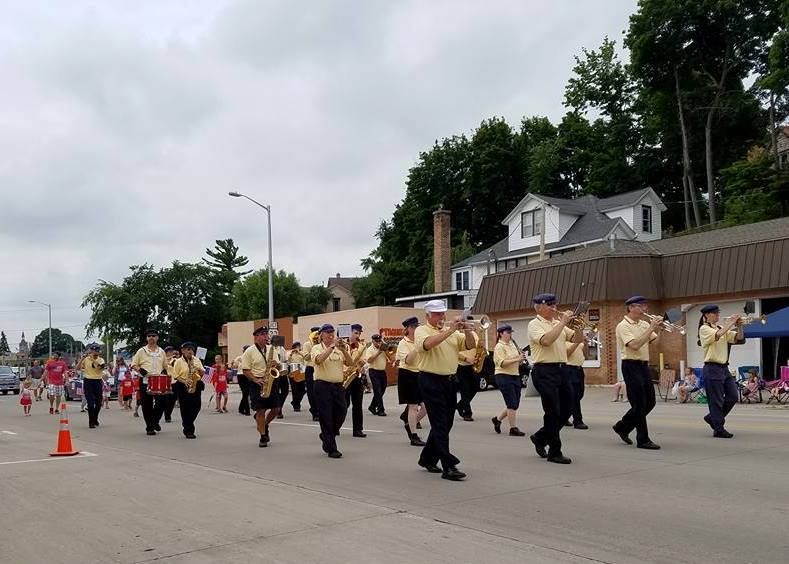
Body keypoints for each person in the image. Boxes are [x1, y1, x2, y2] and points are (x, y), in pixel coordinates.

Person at [415, 300, 475, 481]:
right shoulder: (421, 330)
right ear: (427, 316)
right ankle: (448, 466)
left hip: (449, 380)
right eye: (436, 314)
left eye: (442, 314)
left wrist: (467, 329)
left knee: (446, 423)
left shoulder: (452, 332)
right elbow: (427, 345)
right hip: (430, 380)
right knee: (440, 423)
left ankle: (427, 458)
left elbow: (470, 345)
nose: (441, 317)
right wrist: (449, 330)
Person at [527, 294, 584, 464]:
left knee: (567, 410)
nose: (554, 307)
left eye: (554, 304)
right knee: (552, 411)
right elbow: (546, 341)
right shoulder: (534, 324)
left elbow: (577, 339)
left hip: (562, 369)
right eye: (549, 305)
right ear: (539, 307)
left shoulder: (555, 323)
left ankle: (540, 437)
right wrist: (563, 322)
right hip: (544, 371)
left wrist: (578, 324)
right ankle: (554, 451)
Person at [613, 296, 664, 450]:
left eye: (645, 306)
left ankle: (623, 426)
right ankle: (643, 439)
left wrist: (659, 329)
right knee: (639, 404)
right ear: (630, 307)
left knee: (650, 402)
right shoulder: (623, 326)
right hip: (631, 365)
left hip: (643, 365)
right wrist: (651, 328)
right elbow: (634, 345)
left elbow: (655, 343)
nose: (645, 309)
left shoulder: (644, 323)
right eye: (641, 306)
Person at [698, 304, 745, 438]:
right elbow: (718, 335)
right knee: (716, 400)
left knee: (733, 396)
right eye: (714, 313)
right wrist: (731, 322)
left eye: (718, 313)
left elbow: (739, 338)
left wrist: (740, 325)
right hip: (712, 367)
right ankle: (718, 428)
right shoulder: (704, 328)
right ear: (707, 315)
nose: (717, 316)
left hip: (724, 368)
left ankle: (712, 418)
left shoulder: (721, 328)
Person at [311, 324, 354, 458]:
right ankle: (331, 448)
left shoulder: (339, 349)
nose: (331, 335)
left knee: (342, 411)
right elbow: (318, 360)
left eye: (332, 333)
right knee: (326, 417)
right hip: (322, 385)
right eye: (328, 333)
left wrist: (344, 349)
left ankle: (327, 435)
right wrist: (332, 347)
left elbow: (350, 363)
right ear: (322, 335)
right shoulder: (316, 348)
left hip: (338, 386)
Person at [241, 326, 282, 448]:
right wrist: (255, 379)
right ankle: (263, 436)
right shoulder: (249, 351)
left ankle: (265, 424)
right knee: (260, 411)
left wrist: (276, 365)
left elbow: (278, 367)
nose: (266, 337)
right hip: (257, 383)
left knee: (276, 409)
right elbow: (245, 370)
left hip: (271, 381)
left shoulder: (271, 349)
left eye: (266, 334)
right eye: (263, 334)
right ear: (256, 337)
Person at [131, 329, 169, 436]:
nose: (151, 338)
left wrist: (165, 374)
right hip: (145, 380)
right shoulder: (141, 351)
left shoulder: (161, 351)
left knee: (163, 402)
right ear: (146, 338)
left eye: (153, 336)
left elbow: (166, 366)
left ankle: (155, 420)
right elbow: (134, 364)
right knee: (146, 404)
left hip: (159, 380)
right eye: (149, 336)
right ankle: (149, 427)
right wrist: (143, 372)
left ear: (157, 338)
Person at [396, 316, 427, 446]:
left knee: (426, 406)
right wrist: (417, 346)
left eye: (417, 326)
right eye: (413, 327)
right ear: (407, 329)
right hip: (407, 374)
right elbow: (408, 360)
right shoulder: (403, 343)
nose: (416, 329)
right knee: (413, 406)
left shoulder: (419, 340)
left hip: (420, 373)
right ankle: (414, 435)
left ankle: (409, 423)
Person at [491, 325, 526, 437]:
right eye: (508, 332)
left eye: (511, 332)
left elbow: (517, 361)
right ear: (501, 333)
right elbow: (502, 363)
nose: (510, 334)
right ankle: (513, 428)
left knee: (515, 403)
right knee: (511, 403)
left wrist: (521, 360)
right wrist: (517, 359)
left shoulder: (512, 344)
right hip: (503, 375)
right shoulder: (499, 347)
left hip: (515, 375)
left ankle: (497, 419)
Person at [170, 342, 204, 439]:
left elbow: (202, 373)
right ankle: (189, 430)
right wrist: (185, 381)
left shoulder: (196, 360)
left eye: (191, 349)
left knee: (197, 406)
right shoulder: (178, 361)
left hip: (195, 384)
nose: (190, 351)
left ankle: (187, 423)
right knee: (185, 408)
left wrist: (199, 369)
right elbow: (176, 375)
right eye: (188, 349)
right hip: (182, 385)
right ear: (183, 351)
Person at [344, 324, 368, 438]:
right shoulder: (343, 345)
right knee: (344, 404)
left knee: (358, 404)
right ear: (350, 333)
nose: (358, 335)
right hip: (345, 377)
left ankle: (358, 429)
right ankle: (336, 426)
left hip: (357, 376)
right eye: (356, 333)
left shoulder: (362, 346)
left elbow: (364, 359)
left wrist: (361, 364)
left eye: (359, 333)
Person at [455, 319, 479, 422]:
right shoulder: (457, 334)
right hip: (460, 365)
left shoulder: (474, 334)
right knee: (465, 389)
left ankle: (460, 405)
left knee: (475, 387)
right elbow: (454, 351)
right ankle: (467, 413)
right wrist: (465, 358)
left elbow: (476, 347)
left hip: (471, 365)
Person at [565, 337, 588, 429]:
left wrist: (585, 343)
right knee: (574, 396)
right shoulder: (563, 340)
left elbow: (586, 356)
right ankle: (578, 421)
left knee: (579, 394)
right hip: (568, 369)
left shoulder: (578, 342)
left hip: (579, 369)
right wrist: (577, 342)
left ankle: (563, 416)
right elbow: (566, 354)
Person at [365, 333, 390, 417]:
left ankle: (372, 406)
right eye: (376, 341)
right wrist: (378, 352)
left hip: (382, 372)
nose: (378, 343)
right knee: (378, 391)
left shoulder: (383, 348)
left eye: (379, 341)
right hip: (374, 371)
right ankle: (381, 410)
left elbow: (390, 357)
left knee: (381, 391)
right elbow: (369, 360)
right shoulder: (369, 349)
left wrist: (386, 350)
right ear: (372, 341)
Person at [303, 327, 321, 421]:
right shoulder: (307, 344)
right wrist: (314, 348)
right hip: (310, 368)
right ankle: (315, 412)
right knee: (311, 392)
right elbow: (306, 357)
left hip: (319, 368)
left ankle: (320, 410)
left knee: (320, 391)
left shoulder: (322, 344)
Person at [287, 342, 307, 412]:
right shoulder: (290, 353)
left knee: (303, 390)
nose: (297, 348)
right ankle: (296, 406)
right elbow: (287, 360)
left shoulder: (301, 353)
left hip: (301, 372)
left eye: (298, 346)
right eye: (296, 346)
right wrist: (291, 353)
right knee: (295, 390)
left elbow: (306, 358)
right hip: (292, 372)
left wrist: (299, 352)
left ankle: (295, 402)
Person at [233, 346, 251, 416]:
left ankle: (241, 408)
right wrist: (235, 362)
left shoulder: (250, 358)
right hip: (241, 375)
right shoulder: (239, 357)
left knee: (246, 393)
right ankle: (247, 410)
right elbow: (234, 366)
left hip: (248, 375)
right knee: (245, 392)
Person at [162, 347, 179, 423]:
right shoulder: (163, 360)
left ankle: (168, 415)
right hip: (165, 381)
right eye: (169, 352)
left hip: (174, 381)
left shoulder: (175, 360)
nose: (171, 353)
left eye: (172, 351)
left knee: (172, 400)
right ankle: (166, 414)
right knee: (166, 399)